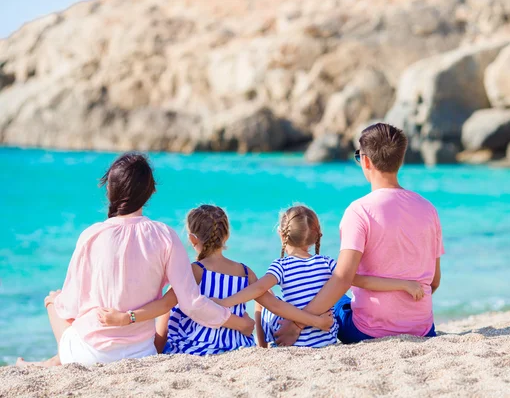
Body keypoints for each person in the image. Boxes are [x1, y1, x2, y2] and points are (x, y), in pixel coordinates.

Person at [17, 153, 254, 367]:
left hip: (89, 355)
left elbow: (70, 307)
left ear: (109, 190)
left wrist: (57, 300)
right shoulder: (165, 235)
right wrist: (236, 322)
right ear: (150, 191)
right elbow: (192, 303)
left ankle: (46, 363)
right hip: (142, 353)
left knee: (54, 301)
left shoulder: (91, 235)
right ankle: (43, 364)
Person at [274, 123, 443, 346]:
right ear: (400, 159)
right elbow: (434, 282)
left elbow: (343, 279)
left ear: (365, 161)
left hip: (367, 331)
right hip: (422, 328)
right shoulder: (428, 209)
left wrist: (296, 323)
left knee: (330, 290)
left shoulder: (360, 211)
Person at [97, 205, 333, 354]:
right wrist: (311, 319)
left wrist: (127, 318)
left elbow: (164, 307)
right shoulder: (245, 272)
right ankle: (263, 347)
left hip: (197, 345)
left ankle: (158, 349)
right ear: (226, 235)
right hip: (238, 346)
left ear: (192, 239)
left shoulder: (194, 271)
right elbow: (273, 304)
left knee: (173, 308)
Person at [210, 205, 425, 348]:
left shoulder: (281, 266)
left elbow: (257, 290)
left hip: (296, 343)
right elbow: (364, 281)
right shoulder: (328, 263)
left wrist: (224, 302)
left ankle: (263, 346)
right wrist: (404, 284)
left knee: (263, 302)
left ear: (281, 235)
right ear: (316, 236)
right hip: (326, 339)